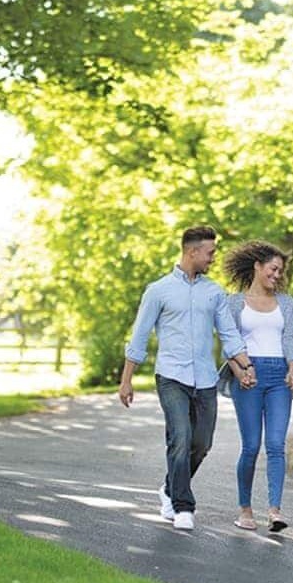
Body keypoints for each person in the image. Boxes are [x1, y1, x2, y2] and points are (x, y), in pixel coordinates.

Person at [119, 226, 255, 531]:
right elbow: (139, 336)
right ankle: (183, 506)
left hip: (205, 378)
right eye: (210, 252)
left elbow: (229, 334)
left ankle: (170, 487)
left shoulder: (214, 292)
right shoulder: (159, 290)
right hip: (171, 376)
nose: (213, 258)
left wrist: (246, 366)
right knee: (179, 437)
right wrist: (126, 380)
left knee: (201, 443)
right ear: (192, 251)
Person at [221, 241, 293, 532]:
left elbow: (289, 339)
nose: (277, 275)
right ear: (257, 265)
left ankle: (275, 511)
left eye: (280, 271)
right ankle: (245, 509)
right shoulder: (233, 302)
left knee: (276, 445)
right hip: (248, 375)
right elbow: (229, 345)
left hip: (278, 376)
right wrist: (240, 373)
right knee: (251, 446)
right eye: (272, 268)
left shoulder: (287, 303)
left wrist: (292, 371)